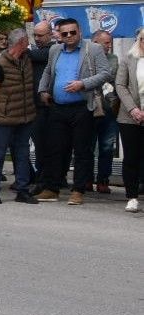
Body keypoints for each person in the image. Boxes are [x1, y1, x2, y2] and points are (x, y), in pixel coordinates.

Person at [35, 17, 113, 205]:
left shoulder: (92, 49)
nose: (69, 36)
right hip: (58, 107)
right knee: (55, 149)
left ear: (80, 32)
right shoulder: (55, 50)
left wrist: (83, 84)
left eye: (73, 32)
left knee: (82, 150)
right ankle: (51, 188)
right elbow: (48, 71)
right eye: (65, 33)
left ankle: (78, 190)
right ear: (59, 35)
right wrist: (43, 90)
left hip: (82, 107)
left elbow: (106, 73)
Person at [0, 28, 39, 205]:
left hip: (26, 116)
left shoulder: (27, 59)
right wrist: (0, 108)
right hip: (5, 117)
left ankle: (22, 190)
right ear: (21, 42)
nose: (29, 44)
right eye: (27, 41)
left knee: (23, 154)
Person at [115, 28, 144, 212]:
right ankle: (132, 196)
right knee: (131, 157)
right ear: (139, 40)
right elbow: (120, 85)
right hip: (129, 117)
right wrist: (133, 109)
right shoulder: (128, 58)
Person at [90, 30, 119, 193]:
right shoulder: (86, 57)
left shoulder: (113, 59)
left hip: (108, 109)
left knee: (107, 147)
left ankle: (103, 180)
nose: (109, 46)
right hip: (89, 108)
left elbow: (110, 77)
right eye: (106, 43)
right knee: (87, 146)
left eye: (110, 43)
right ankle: (86, 179)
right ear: (95, 43)